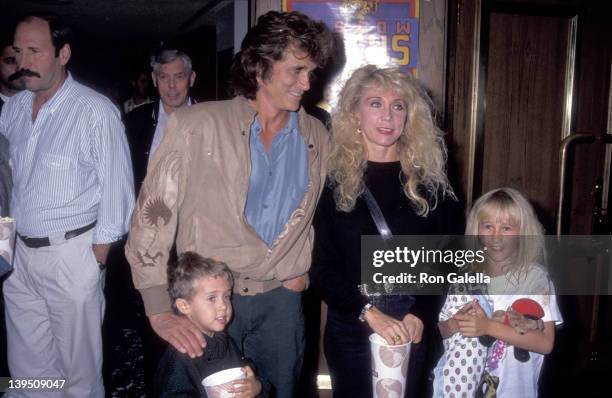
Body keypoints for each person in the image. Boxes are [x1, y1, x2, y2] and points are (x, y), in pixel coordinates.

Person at [125, 11, 333, 396]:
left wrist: (302, 270)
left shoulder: (316, 134)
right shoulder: (197, 125)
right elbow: (153, 215)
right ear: (259, 67)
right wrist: (157, 304)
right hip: (211, 300)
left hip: (281, 305)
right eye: (296, 70)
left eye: (311, 72)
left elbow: (321, 214)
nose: (307, 83)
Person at [0, 14, 134, 397]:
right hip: (19, 256)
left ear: (63, 53)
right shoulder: (12, 109)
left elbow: (118, 192)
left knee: (79, 376)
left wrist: (96, 259)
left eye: (35, 51)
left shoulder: (94, 111)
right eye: (18, 51)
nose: (24, 61)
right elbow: (8, 184)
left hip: (72, 255)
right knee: (27, 371)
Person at [309, 65, 460, 397]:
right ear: (354, 113)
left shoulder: (431, 185)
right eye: (375, 103)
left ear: (409, 116)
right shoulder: (331, 183)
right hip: (352, 326)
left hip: (412, 324)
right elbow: (320, 270)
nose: (388, 116)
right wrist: (368, 312)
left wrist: (422, 312)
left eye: (398, 105)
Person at [454, 188, 562, 397]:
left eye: (506, 228)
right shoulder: (466, 276)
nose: (495, 236)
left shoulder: (536, 279)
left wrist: (487, 326)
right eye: (488, 226)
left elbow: (545, 343)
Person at [155, 252, 264, 397]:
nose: (224, 306)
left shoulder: (224, 339)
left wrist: (256, 386)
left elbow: (245, 370)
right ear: (184, 306)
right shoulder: (182, 355)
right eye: (212, 298)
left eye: (226, 296)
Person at [125, 48, 196, 192]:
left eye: (179, 76)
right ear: (154, 79)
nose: (171, 85)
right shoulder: (134, 122)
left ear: (192, 78)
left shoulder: (210, 121)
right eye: (164, 77)